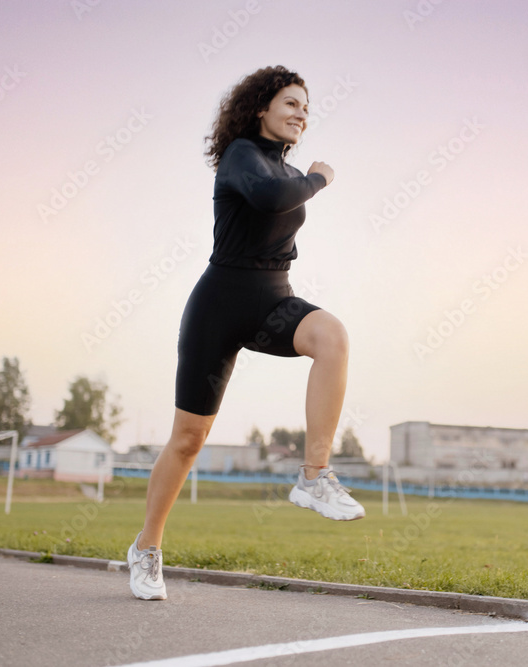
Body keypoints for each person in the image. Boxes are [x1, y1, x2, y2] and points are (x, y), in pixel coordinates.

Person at [126, 65, 365, 601]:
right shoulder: (242, 156)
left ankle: (314, 476)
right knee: (189, 440)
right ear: (261, 107)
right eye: (291, 103)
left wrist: (307, 176)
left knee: (333, 338)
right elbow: (270, 199)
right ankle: (146, 547)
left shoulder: (287, 167)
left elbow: (282, 200)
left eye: (307, 106)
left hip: (271, 301)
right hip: (218, 305)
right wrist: (321, 178)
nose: (302, 113)